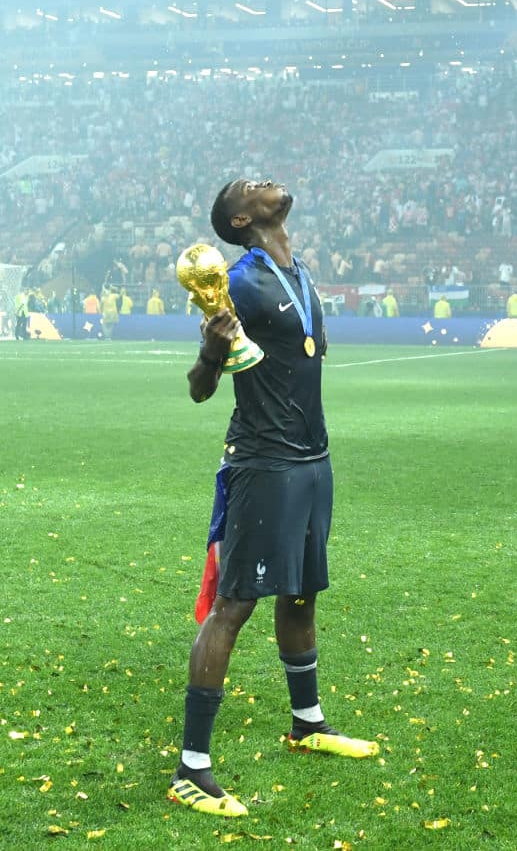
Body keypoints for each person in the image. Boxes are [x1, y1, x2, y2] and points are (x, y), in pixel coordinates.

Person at [173, 178, 377, 819]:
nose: (264, 183)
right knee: (233, 606)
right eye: (249, 186)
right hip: (263, 463)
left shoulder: (298, 270)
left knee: (301, 592)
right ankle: (191, 769)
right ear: (240, 219)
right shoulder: (238, 283)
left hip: (312, 458)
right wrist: (211, 352)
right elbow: (199, 387)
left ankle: (307, 724)